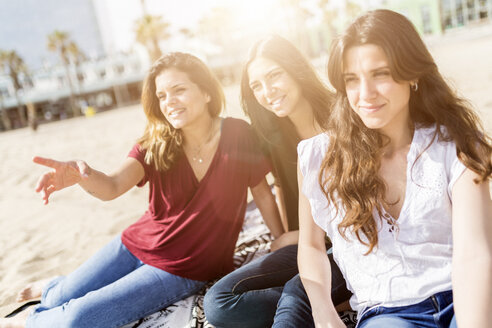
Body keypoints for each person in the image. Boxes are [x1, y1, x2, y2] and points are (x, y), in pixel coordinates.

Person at [0, 52, 284, 328]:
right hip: (135, 243)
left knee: (78, 318)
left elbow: (262, 192)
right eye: (161, 95)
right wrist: (81, 177)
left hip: (184, 267)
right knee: (62, 296)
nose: (169, 102)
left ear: (207, 92)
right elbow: (112, 186)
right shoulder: (156, 142)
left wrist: (282, 240)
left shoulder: (239, 134)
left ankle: (26, 320)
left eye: (178, 90)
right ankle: (53, 288)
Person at [297, 9, 492, 328]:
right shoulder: (319, 157)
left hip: (465, 290)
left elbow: (475, 255)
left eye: (381, 74)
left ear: (412, 74)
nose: (365, 94)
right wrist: (323, 312)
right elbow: (310, 245)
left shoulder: (457, 144)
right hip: (388, 311)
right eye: (352, 80)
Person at [204, 35, 352, 328]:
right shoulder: (274, 135)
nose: (267, 92)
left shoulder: (344, 117)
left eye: (274, 76)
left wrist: (302, 239)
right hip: (311, 245)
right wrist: (291, 235)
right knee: (219, 302)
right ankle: (325, 297)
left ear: (295, 70)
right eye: (256, 85)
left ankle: (310, 298)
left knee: (297, 291)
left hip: (351, 244)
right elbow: (285, 188)